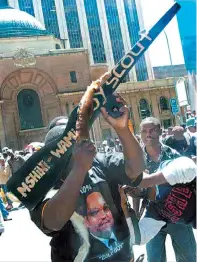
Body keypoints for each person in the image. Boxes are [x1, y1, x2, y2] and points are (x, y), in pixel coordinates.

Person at [30, 77, 145, 262]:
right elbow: (54, 221)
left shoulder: (100, 163)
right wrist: (79, 169)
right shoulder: (39, 184)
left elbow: (136, 168)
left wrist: (123, 129)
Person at [137, 117, 196, 262]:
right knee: (155, 258)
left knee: (187, 258)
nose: (148, 134)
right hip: (153, 215)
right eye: (144, 131)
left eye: (152, 130)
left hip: (178, 215)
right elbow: (136, 189)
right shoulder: (138, 160)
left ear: (160, 132)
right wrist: (137, 212)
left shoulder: (173, 155)